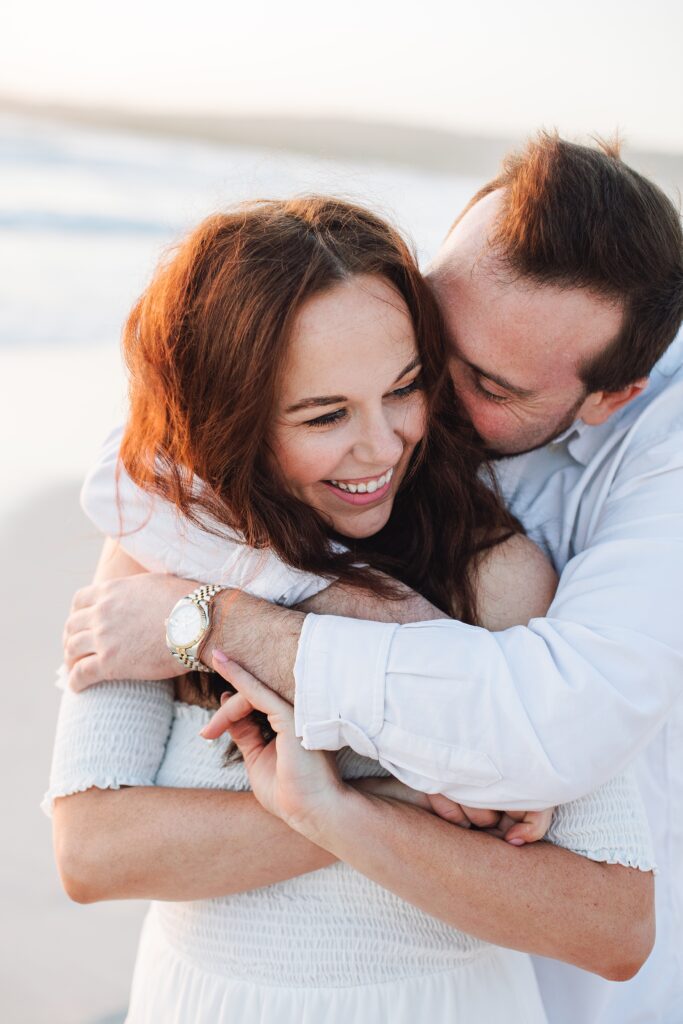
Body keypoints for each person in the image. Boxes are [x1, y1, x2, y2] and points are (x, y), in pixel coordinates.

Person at [64, 134, 683, 1024]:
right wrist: (396, 789)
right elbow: (91, 853)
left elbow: (611, 914)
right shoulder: (170, 536)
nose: (401, 427)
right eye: (431, 340)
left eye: (428, 384)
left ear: (605, 399)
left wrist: (334, 802)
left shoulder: (508, 571)